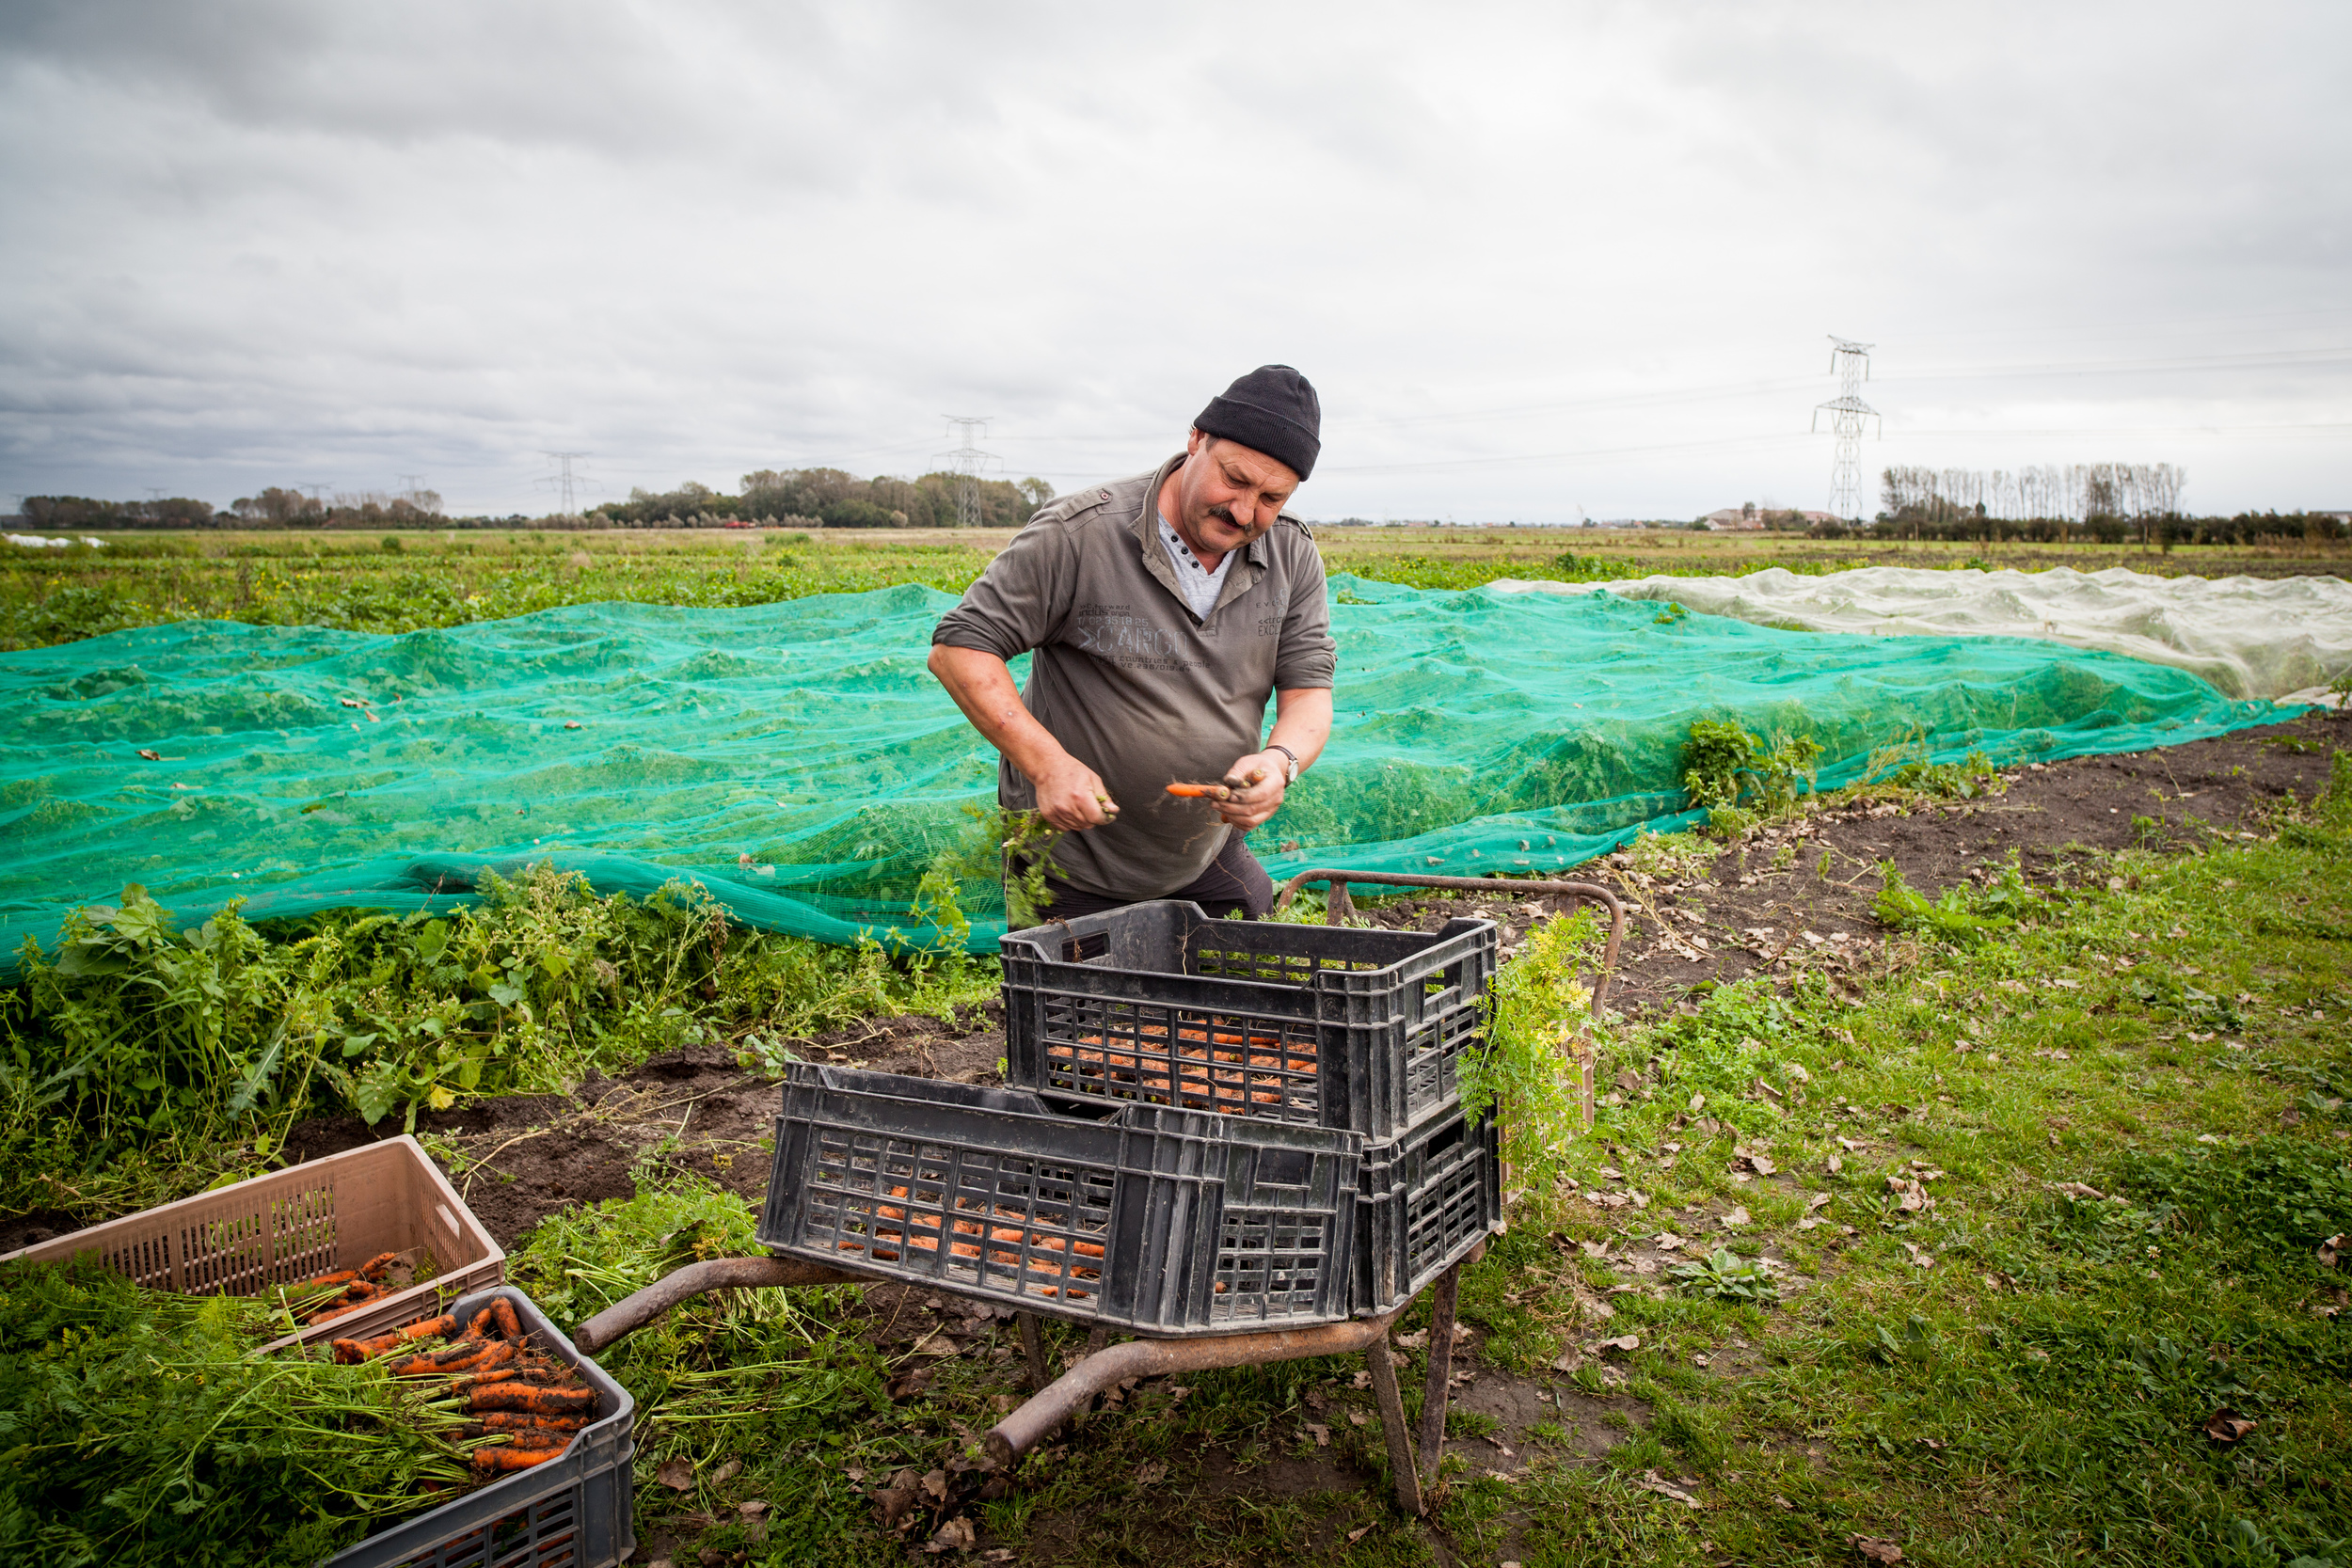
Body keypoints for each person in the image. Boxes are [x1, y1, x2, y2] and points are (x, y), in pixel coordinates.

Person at [929, 365, 1335, 924]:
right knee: (1078, 1010)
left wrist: (1279, 761)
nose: (1244, 511)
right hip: (1069, 860)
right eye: (1234, 480)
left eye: (1271, 497)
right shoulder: (1081, 534)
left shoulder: (1290, 554)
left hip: (1203, 855)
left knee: (1241, 994)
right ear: (1196, 441)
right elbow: (960, 648)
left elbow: (1308, 692)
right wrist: (1047, 766)